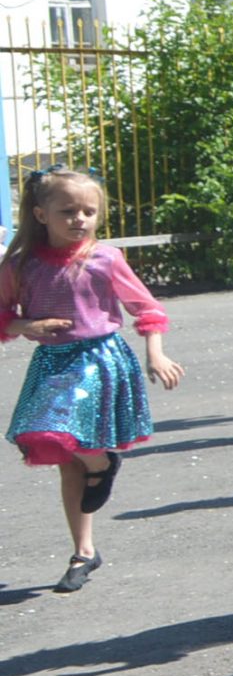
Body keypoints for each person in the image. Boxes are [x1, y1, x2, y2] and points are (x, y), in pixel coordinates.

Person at [0, 168, 183, 593]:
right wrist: (26, 326)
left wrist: (155, 352)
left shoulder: (105, 258)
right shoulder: (20, 264)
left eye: (89, 211)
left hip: (98, 361)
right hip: (52, 363)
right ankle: (83, 550)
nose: (79, 219)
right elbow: (4, 314)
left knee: (65, 436)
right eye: (68, 211)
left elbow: (147, 308)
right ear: (41, 214)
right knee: (63, 456)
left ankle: (102, 463)